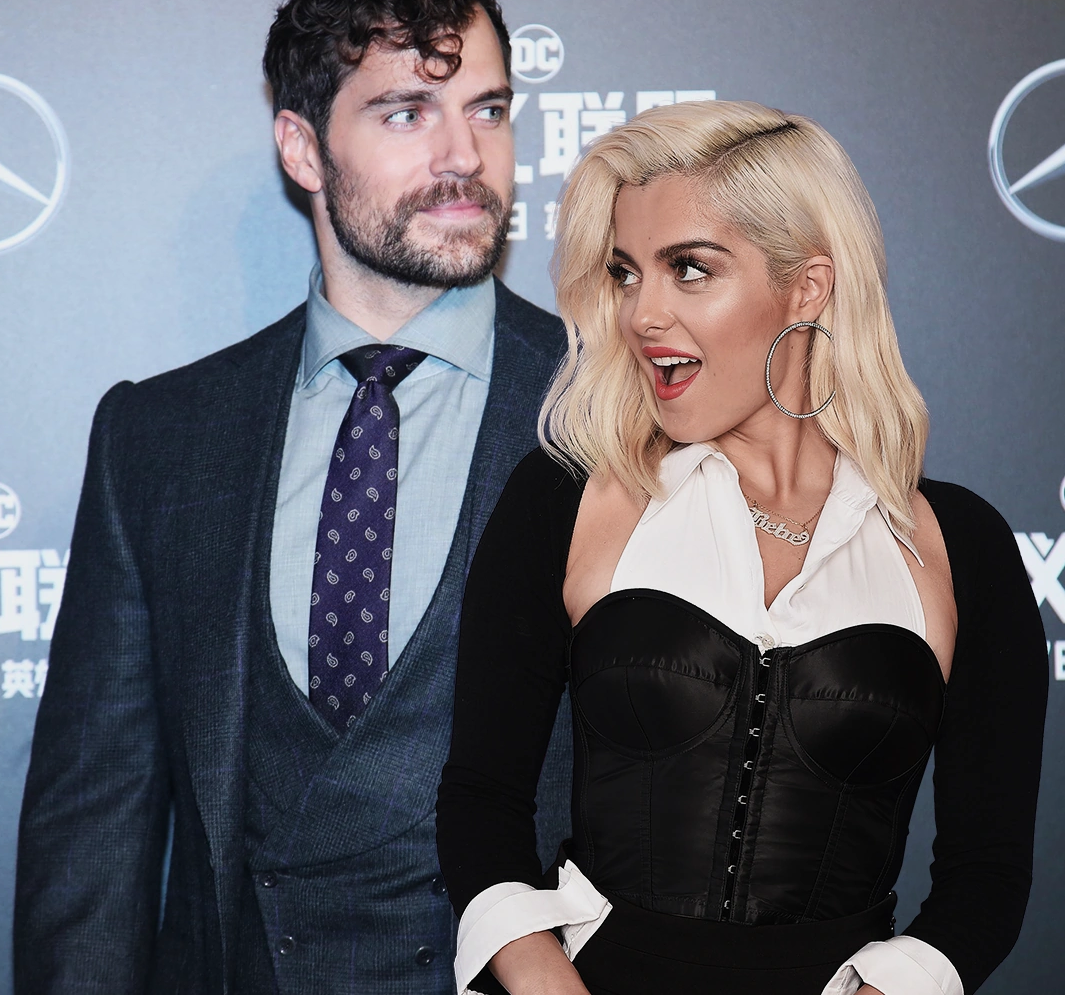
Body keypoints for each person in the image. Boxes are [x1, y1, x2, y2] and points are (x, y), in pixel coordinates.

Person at [14, 0, 570, 994]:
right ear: (303, 150)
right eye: (406, 113)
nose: (464, 154)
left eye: (488, 110)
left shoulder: (612, 410)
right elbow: (94, 833)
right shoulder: (158, 439)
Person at [436, 100, 1047, 995]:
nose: (643, 314)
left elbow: (985, 875)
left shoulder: (957, 544)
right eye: (625, 272)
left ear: (806, 288)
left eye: (689, 269)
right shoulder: (569, 496)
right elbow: (480, 802)